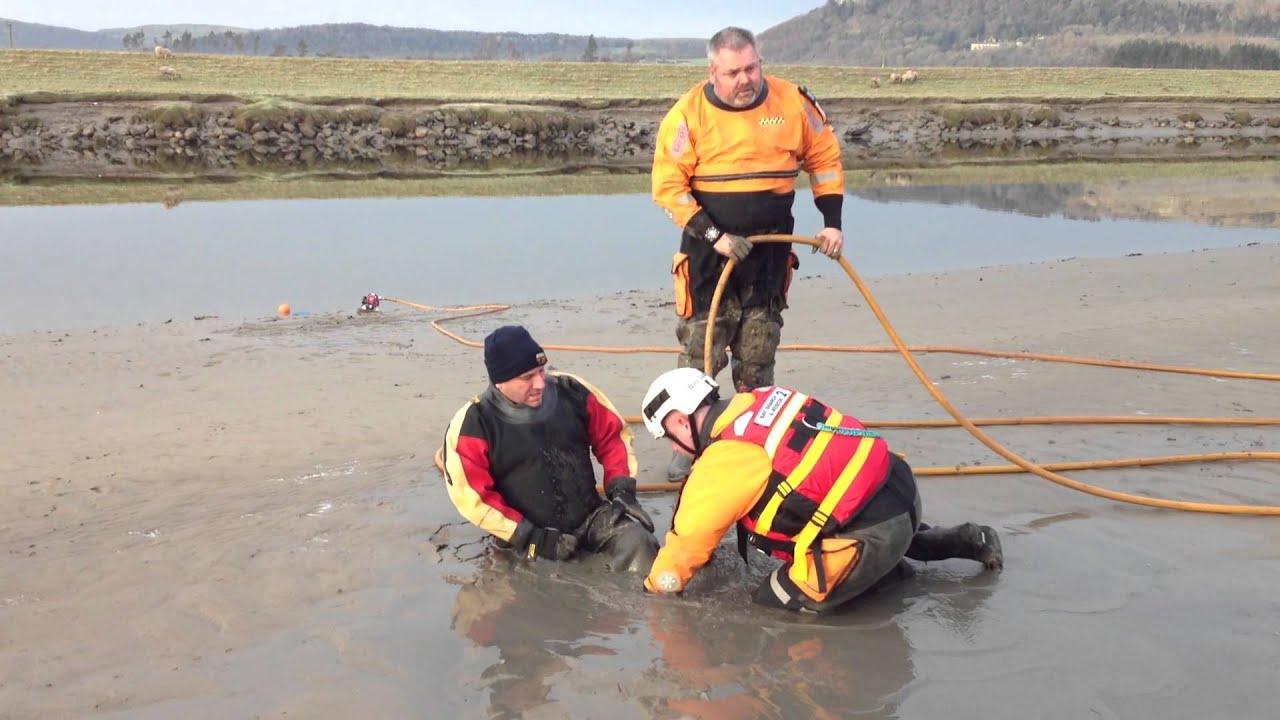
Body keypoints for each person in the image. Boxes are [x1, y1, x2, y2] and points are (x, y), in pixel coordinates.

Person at [639, 368, 1003, 613]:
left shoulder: (723, 460)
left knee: (769, 603)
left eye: (668, 437)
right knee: (854, 521)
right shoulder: (763, 398)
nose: (673, 447)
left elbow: (688, 543)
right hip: (899, 491)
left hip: (874, 532)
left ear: (680, 421)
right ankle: (967, 540)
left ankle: (889, 576)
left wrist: (656, 591)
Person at [652, 26, 846, 480]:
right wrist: (714, 235)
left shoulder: (793, 103)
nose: (745, 79)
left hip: (769, 253)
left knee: (758, 353)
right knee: (701, 353)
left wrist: (832, 221)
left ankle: (757, 440)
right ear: (713, 72)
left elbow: (824, 160)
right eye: (734, 72)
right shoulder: (687, 115)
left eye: (751, 68)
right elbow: (668, 187)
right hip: (708, 257)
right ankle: (690, 444)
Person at [441, 325, 658, 573]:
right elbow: (473, 497)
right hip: (526, 537)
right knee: (544, 584)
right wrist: (533, 538)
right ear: (500, 382)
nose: (540, 383)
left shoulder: (572, 390)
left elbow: (613, 437)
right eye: (527, 377)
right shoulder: (474, 424)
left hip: (590, 517)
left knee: (640, 543)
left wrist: (622, 490)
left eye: (541, 371)